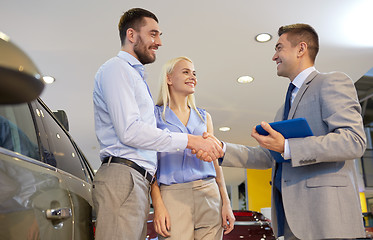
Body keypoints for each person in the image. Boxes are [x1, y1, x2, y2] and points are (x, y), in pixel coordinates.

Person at [203, 23, 367, 239]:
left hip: (327, 219)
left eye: (279, 48)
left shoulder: (332, 82)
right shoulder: (284, 107)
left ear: (301, 49)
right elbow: (268, 156)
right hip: (292, 221)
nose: (274, 56)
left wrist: (288, 147)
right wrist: (221, 149)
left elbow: (353, 140)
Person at [92, 8, 223, 240]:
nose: (159, 42)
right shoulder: (117, 69)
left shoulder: (136, 77)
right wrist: (189, 140)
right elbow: (129, 131)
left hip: (137, 179)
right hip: (124, 176)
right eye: (153, 34)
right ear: (131, 35)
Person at [150, 57, 235, 240]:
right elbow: (151, 166)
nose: (193, 77)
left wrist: (226, 202)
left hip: (209, 193)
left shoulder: (204, 117)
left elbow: (215, 163)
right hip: (172, 196)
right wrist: (158, 205)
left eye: (194, 73)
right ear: (169, 79)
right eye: (186, 72)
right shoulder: (154, 117)